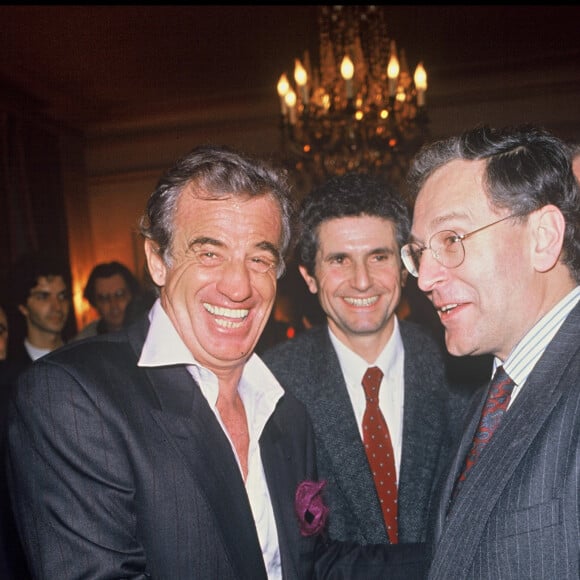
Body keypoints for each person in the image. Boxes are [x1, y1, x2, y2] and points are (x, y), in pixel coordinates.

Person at [6, 145, 322, 579]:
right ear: (157, 260)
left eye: (259, 259)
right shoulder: (74, 397)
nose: (239, 285)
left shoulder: (286, 410)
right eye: (209, 253)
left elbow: (311, 566)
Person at [263, 173, 468, 575]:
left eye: (379, 257)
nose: (362, 280)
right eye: (339, 260)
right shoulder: (272, 384)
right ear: (309, 276)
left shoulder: (464, 370)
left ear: (407, 266)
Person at [400, 124, 580, 579]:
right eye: (419, 252)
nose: (423, 279)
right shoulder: (491, 397)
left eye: (451, 241)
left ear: (542, 238)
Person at [6, 252, 72, 377]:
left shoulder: (83, 356)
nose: (57, 306)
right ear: (23, 306)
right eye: (43, 297)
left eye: (62, 296)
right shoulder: (10, 373)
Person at [75, 261, 142, 339]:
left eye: (119, 295)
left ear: (132, 294)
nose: (113, 305)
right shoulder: (85, 340)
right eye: (104, 298)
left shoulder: (149, 329)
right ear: (94, 302)